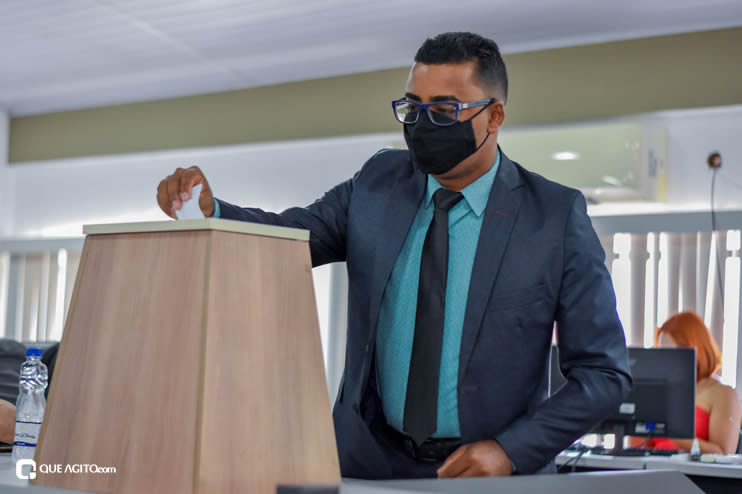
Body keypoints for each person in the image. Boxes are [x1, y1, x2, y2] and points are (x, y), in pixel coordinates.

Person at [156, 32, 631, 479]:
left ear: (494, 117)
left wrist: (510, 450)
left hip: (488, 475)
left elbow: (604, 375)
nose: (422, 125)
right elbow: (287, 237)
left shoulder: (553, 217)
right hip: (369, 464)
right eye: (412, 108)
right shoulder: (377, 184)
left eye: (443, 110)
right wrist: (211, 212)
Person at [651, 312, 741, 454]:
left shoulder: (723, 394)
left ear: (697, 349)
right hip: (653, 466)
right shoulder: (661, 393)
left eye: (675, 352)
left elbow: (723, 453)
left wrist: (669, 433)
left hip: (691, 468)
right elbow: (639, 448)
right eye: (663, 352)